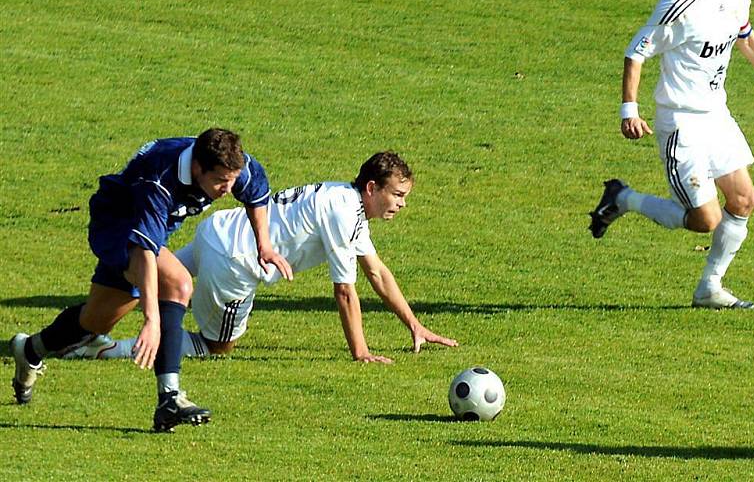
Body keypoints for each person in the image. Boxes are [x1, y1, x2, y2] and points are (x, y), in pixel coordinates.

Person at [10, 128, 292, 432]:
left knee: (95, 321)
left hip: (149, 232)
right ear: (198, 168)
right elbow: (144, 249)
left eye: (232, 179)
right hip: (116, 227)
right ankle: (169, 398)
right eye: (221, 181)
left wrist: (264, 245)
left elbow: (256, 192)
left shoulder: (228, 164)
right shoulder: (158, 179)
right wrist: (151, 319)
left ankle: (30, 350)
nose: (228, 188)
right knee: (178, 284)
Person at [62, 151, 458, 363]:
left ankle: (76, 333)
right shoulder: (343, 212)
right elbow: (345, 292)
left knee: (148, 282)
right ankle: (107, 348)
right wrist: (361, 352)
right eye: (398, 195)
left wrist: (415, 325)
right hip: (235, 263)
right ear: (372, 187)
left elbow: (378, 274)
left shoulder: (344, 201)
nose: (402, 205)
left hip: (217, 231)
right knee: (216, 347)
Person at [589, 0, 754, 309]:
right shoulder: (678, 4)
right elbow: (636, 52)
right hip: (681, 122)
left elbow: (747, 40)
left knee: (744, 200)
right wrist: (629, 110)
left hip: (716, 116)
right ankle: (622, 199)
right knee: (706, 220)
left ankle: (709, 288)